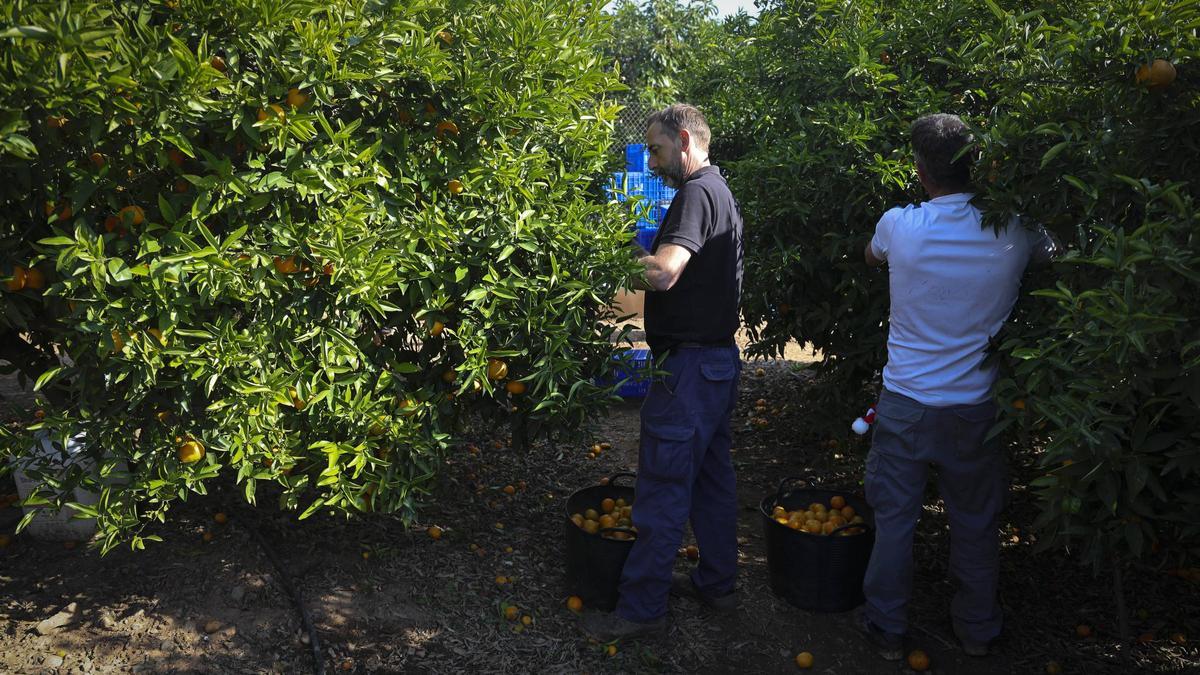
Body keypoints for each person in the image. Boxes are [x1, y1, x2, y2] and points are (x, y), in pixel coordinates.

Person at [859, 113, 1057, 660]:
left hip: (904, 405)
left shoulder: (900, 225)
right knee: (975, 522)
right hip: (975, 408)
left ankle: (886, 629)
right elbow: (1056, 253)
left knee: (895, 520)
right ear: (979, 166)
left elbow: (872, 256)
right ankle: (977, 630)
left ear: (922, 172)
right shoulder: (1014, 228)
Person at [580, 103, 745, 641]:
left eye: (655, 149)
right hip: (716, 364)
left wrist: (615, 245)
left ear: (683, 139)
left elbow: (664, 273)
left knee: (663, 487)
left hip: (691, 369)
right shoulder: (719, 190)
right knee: (713, 482)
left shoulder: (697, 194)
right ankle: (718, 583)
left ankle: (641, 609)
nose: (651, 161)